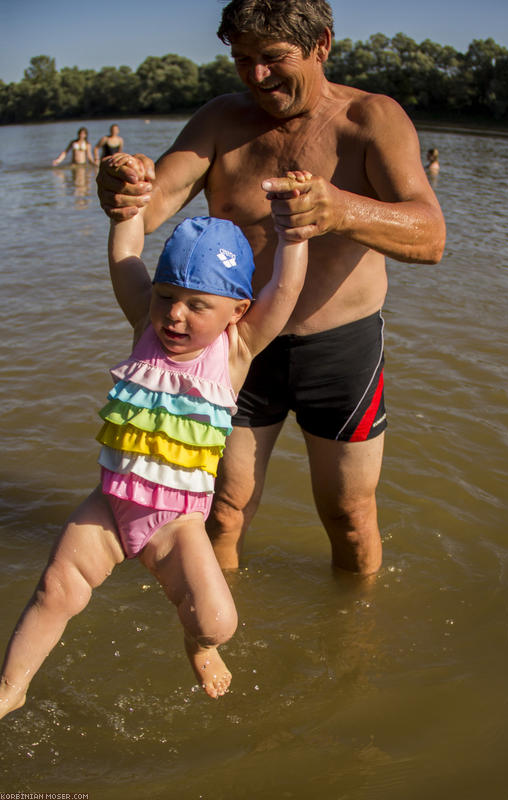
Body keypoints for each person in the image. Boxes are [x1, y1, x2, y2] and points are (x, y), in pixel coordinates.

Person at [96, 0, 446, 578]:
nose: (256, 76)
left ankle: (351, 653)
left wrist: (339, 208)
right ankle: (214, 641)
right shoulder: (219, 121)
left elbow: (431, 236)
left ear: (321, 46)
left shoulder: (372, 120)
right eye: (243, 59)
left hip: (339, 351)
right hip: (235, 350)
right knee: (223, 514)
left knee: (350, 517)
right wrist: (123, 186)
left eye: (273, 58)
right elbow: (150, 205)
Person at [0, 158, 309, 718]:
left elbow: (285, 290)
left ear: (237, 310)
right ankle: (11, 687)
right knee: (55, 591)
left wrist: (293, 232)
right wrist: (129, 209)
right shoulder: (144, 323)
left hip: (178, 521)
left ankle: (197, 647)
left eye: (198, 305)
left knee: (217, 621)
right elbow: (125, 258)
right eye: (166, 296)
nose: (175, 315)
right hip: (110, 507)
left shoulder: (236, 351)